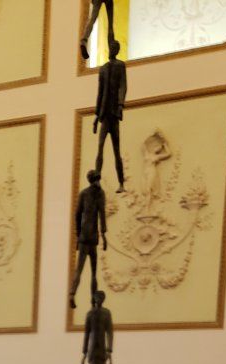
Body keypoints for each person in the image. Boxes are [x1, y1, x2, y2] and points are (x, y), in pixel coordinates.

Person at [70, 171, 107, 310]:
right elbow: (102, 215)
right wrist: (103, 235)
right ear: (95, 180)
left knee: (81, 269)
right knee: (92, 271)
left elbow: (77, 215)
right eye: (97, 179)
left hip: (86, 236)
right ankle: (90, 301)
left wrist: (78, 235)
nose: (98, 182)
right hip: (91, 237)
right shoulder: (99, 194)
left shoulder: (84, 193)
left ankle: (74, 294)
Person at [95, 40, 127, 192]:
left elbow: (123, 85)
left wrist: (121, 105)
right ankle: (97, 181)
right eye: (110, 47)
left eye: (114, 48)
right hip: (104, 114)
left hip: (114, 114)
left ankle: (121, 183)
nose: (111, 50)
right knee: (100, 147)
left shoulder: (120, 66)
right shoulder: (103, 69)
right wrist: (96, 116)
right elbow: (100, 93)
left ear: (117, 50)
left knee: (116, 150)